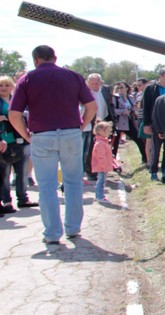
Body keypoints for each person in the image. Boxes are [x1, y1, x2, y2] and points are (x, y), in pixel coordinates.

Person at [7, 45, 97, 245]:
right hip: (71, 132)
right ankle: (73, 228)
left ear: (35, 60)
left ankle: (52, 232)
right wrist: (82, 123)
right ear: (55, 58)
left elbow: (14, 114)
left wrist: (26, 135)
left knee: (47, 185)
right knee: (73, 182)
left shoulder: (27, 79)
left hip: (42, 134)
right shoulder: (73, 76)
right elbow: (91, 106)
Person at [0, 75, 37, 213]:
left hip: (20, 138)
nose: (3, 88)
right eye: (1, 85)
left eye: (7, 85)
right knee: (5, 173)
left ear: (12, 87)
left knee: (22, 171)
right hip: (4, 141)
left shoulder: (16, 99)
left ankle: (23, 199)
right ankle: (7, 201)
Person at [143, 69, 165, 181]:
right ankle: (153, 171)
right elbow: (146, 107)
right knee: (156, 148)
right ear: (160, 76)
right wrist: (146, 124)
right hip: (155, 123)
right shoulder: (151, 89)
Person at [83, 73, 114, 179]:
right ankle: (90, 171)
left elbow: (110, 105)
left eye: (97, 83)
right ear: (88, 83)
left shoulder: (105, 90)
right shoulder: (85, 92)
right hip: (91, 123)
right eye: (92, 83)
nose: (95, 85)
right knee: (92, 148)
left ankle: (104, 168)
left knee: (105, 147)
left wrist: (113, 120)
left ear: (101, 82)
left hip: (104, 121)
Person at [90, 121, 119, 203]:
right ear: (100, 132)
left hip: (104, 166)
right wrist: (103, 166)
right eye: (107, 131)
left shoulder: (103, 142)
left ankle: (99, 195)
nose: (109, 133)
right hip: (102, 167)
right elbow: (100, 157)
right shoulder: (100, 143)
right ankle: (100, 196)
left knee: (102, 181)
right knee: (101, 181)